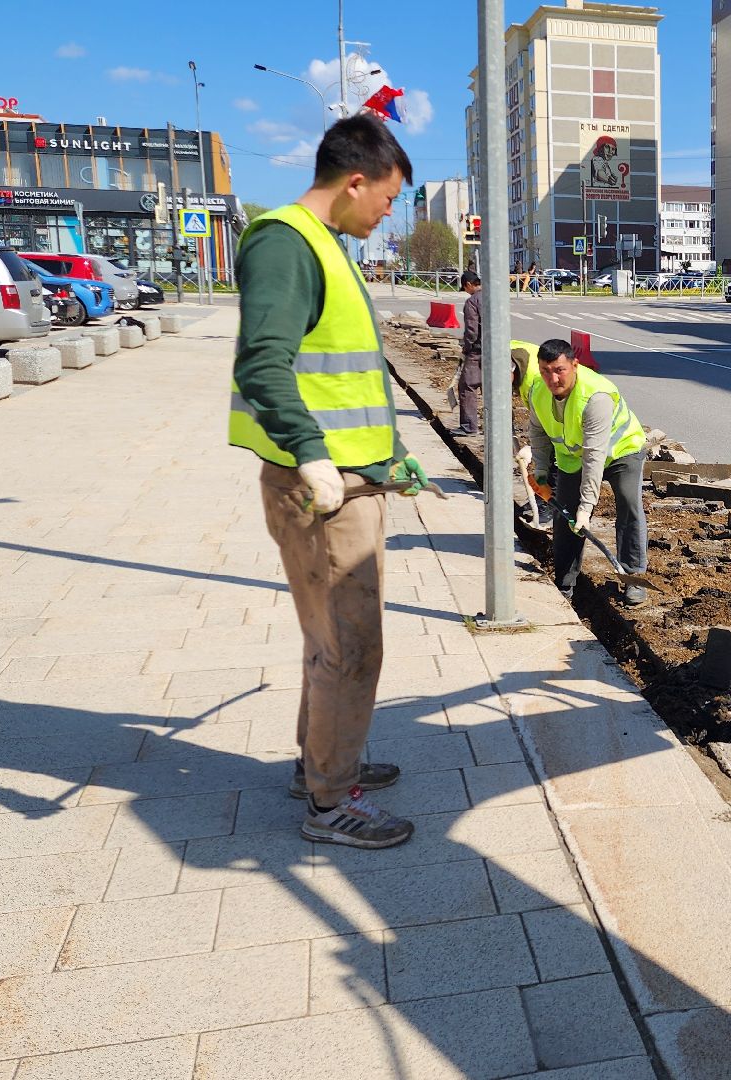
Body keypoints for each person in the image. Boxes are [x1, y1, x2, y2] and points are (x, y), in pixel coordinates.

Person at [229, 113, 424, 850]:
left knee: (332, 640)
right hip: (321, 489)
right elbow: (264, 363)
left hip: (352, 480)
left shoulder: (326, 245)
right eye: (386, 198)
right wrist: (313, 454)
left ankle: (323, 764)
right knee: (350, 645)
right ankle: (330, 801)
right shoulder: (286, 243)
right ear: (354, 182)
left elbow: (349, 373)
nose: (387, 212)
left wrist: (390, 456)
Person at [525, 338, 649, 604]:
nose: (553, 378)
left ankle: (633, 575)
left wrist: (587, 506)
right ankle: (565, 585)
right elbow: (537, 431)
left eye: (560, 370)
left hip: (621, 451)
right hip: (573, 458)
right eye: (546, 371)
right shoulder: (538, 390)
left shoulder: (595, 397)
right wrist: (542, 471)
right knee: (565, 516)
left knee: (628, 506)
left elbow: (595, 455)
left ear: (574, 365)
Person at [456, 269, 483, 435]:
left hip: (478, 351)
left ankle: (469, 427)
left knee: (467, 387)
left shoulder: (472, 302)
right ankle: (499, 428)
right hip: (498, 350)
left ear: (468, 285)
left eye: (465, 288)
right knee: (494, 389)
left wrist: (466, 348)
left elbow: (472, 331)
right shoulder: (493, 297)